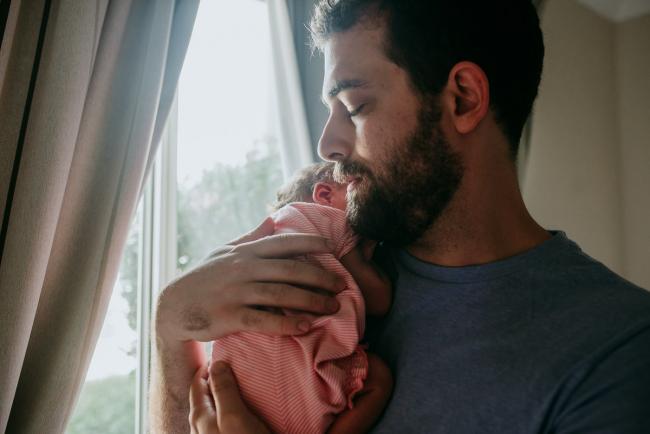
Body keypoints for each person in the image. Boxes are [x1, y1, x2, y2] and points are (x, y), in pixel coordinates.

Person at [151, 1, 650, 433]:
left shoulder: (618, 352)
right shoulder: (318, 268)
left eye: (354, 105)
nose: (328, 144)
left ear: (463, 98)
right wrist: (172, 331)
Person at [210, 161, 393, 434]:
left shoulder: (266, 241)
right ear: (324, 195)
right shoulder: (319, 219)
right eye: (354, 187)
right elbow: (380, 299)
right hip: (294, 380)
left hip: (239, 386)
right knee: (379, 378)